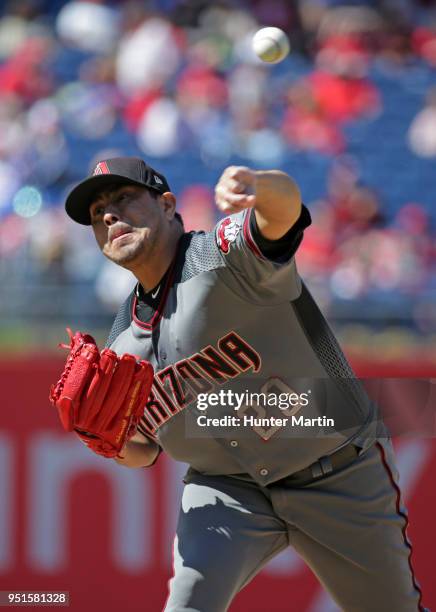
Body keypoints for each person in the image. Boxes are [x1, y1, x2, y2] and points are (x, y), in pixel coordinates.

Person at [64, 156, 425, 612]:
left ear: (168, 205)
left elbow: (285, 212)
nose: (110, 215)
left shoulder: (221, 253)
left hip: (338, 469)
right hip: (227, 490)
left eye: (123, 198)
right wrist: (110, 445)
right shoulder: (122, 345)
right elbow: (143, 449)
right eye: (98, 215)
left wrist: (260, 184)